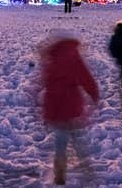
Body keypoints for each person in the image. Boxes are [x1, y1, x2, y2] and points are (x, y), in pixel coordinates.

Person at [38, 31, 99, 185]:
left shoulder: (50, 61)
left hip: (57, 112)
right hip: (73, 110)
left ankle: (60, 176)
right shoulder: (74, 59)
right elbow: (87, 79)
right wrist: (94, 94)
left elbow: (46, 89)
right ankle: (88, 171)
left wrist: (46, 113)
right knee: (79, 142)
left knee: (60, 146)